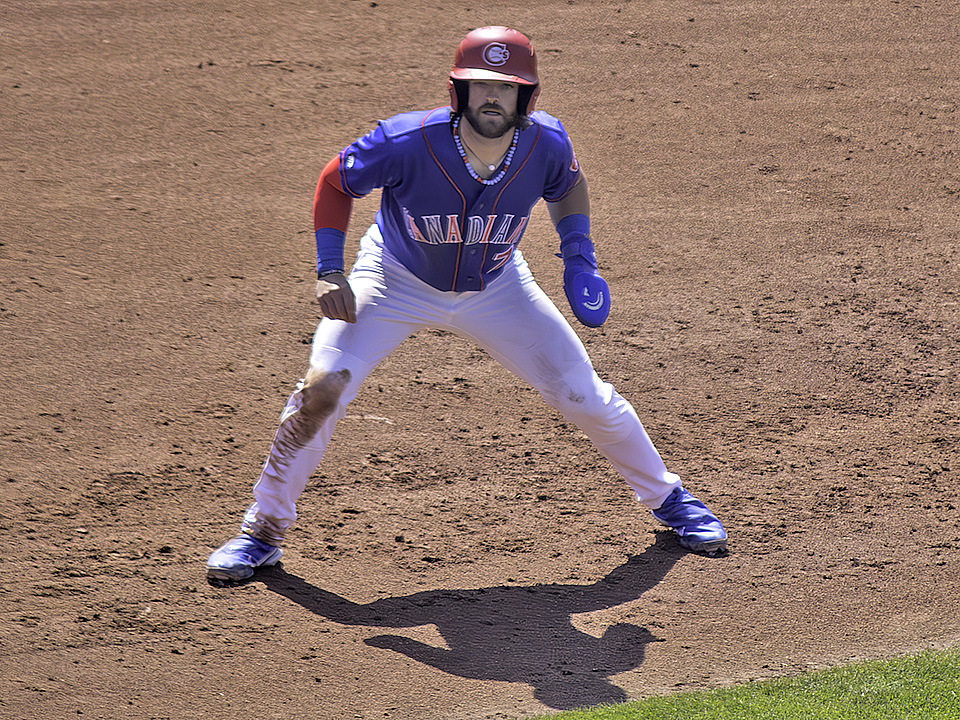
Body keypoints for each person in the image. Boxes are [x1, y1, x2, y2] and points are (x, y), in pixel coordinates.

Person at [206, 26, 727, 583]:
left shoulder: (545, 143)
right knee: (322, 391)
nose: (493, 97)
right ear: (459, 91)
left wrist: (580, 258)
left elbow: (568, 185)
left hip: (498, 285)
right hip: (394, 279)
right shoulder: (406, 140)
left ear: (526, 96)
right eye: (480, 85)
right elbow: (336, 181)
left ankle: (670, 500)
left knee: (583, 394)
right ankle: (261, 532)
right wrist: (330, 268)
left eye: (507, 87)